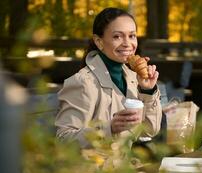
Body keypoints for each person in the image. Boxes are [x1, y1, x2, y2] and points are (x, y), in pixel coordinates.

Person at [55, 7, 162, 148]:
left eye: (132, 36)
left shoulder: (132, 78)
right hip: (93, 170)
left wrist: (147, 91)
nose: (127, 43)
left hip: (125, 168)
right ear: (99, 42)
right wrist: (109, 129)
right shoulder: (83, 83)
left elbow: (148, 131)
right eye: (117, 36)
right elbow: (63, 140)